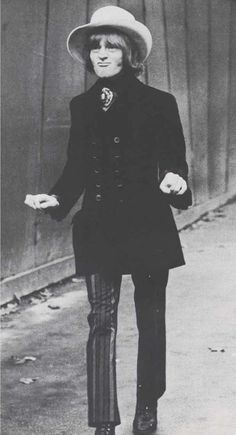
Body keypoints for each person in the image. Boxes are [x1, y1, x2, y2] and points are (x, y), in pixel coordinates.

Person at [25, 6, 192, 435]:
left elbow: (176, 163)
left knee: (150, 316)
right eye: (95, 46)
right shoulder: (81, 106)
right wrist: (56, 197)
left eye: (110, 46)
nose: (100, 54)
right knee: (101, 319)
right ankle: (103, 421)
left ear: (129, 53)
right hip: (98, 228)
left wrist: (177, 182)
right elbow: (76, 167)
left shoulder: (159, 103)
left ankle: (147, 408)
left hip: (149, 227)